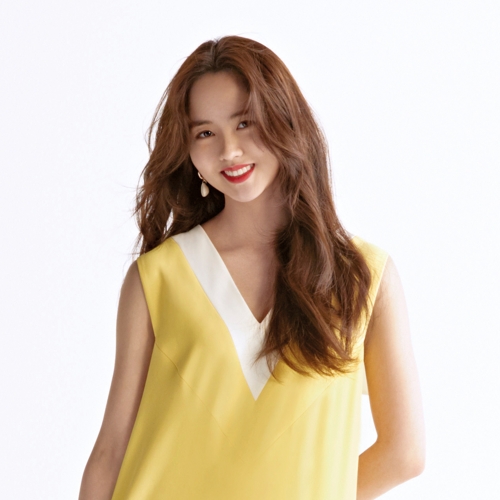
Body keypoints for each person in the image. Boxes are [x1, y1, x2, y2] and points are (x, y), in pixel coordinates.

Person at [79, 35, 425, 500]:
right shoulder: (157, 278)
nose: (229, 150)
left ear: (286, 120)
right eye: (205, 133)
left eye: (245, 123)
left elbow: (405, 453)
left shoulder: (362, 277)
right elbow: (111, 451)